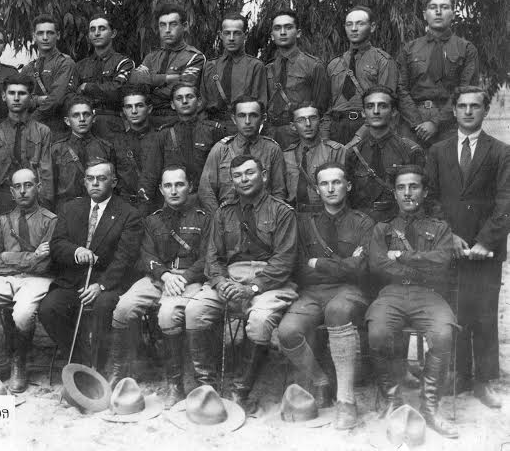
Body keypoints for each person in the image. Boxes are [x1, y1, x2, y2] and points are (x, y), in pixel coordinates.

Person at [186, 155, 298, 413]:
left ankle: (240, 392)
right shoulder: (223, 213)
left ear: (264, 176)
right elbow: (213, 257)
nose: (244, 179)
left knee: (259, 321)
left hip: (270, 282)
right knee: (194, 310)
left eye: (249, 173)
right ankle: (206, 389)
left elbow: (284, 261)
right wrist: (219, 281)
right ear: (232, 180)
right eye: (237, 175)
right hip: (230, 278)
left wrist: (252, 288)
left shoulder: (282, 212)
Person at [426, 86, 510, 409]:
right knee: (455, 310)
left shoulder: (501, 152)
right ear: (454, 111)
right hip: (450, 246)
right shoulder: (438, 151)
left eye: (475, 106)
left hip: (486, 250)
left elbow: (505, 202)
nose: (468, 111)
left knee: (485, 313)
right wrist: (447, 236)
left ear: (485, 110)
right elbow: (431, 199)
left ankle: (483, 381)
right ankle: (459, 374)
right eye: (462, 106)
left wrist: (486, 241)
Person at [277, 162, 374, 429]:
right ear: (317, 189)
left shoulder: (363, 222)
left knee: (337, 311)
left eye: (337, 182)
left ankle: (346, 400)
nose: (331, 188)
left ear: (348, 186)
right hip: (312, 292)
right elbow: (299, 268)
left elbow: (361, 269)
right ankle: (320, 381)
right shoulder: (305, 223)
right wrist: (344, 264)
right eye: (324, 184)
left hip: (349, 291)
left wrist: (318, 263)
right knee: (287, 331)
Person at [366, 165, 458, 438]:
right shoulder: (383, 229)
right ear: (394, 193)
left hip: (429, 295)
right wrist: (419, 267)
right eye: (401, 188)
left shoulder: (440, 228)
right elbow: (377, 265)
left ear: (425, 191)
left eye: (414, 186)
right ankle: (393, 401)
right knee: (377, 332)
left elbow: (442, 262)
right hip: (391, 294)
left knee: (443, 334)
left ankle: (430, 408)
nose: (407, 193)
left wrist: (402, 256)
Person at [107, 165, 210, 407]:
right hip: (157, 278)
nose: (174, 191)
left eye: (179, 184)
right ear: (161, 190)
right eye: (168, 186)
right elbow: (146, 254)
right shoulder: (152, 220)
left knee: (167, 315)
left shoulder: (204, 219)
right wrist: (164, 275)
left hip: (188, 280)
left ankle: (175, 384)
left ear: (190, 187)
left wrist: (184, 277)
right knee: (123, 308)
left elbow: (208, 257)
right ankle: (118, 372)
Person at [39, 158, 143, 369]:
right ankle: (81, 362)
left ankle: (99, 367)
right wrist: (76, 251)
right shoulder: (70, 208)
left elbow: (125, 257)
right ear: (84, 181)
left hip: (108, 282)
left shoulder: (128, 214)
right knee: (49, 308)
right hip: (73, 281)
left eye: (101, 178)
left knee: (103, 307)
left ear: (113, 182)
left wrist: (101, 285)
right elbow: (57, 244)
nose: (95, 183)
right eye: (90, 178)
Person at [0, 168, 58, 393]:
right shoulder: (2, 222)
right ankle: (0, 352)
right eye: (17, 187)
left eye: (28, 185)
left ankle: (20, 360)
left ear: (38, 187)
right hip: (4, 278)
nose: (23, 191)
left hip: (37, 279)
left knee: (23, 314)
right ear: (11, 191)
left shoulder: (50, 221)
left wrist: (7, 257)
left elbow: (45, 265)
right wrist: (31, 257)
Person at [397, 0, 479, 148]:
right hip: (412, 123)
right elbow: (400, 88)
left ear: (453, 13)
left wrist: (436, 123)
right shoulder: (409, 49)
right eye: (433, 7)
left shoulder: (467, 49)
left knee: (448, 163)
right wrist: (417, 123)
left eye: (444, 7)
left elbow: (466, 89)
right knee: (410, 163)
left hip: (449, 123)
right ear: (424, 14)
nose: (438, 12)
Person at [325, 6, 414, 146]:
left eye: (360, 24)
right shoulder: (334, 64)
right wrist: (325, 140)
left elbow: (384, 106)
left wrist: (357, 139)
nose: (354, 29)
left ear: (372, 27)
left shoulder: (383, 61)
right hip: (336, 129)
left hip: (369, 130)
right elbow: (326, 108)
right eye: (349, 24)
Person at [346, 86, 425, 223]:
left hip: (399, 225)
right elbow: (348, 198)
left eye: (383, 106)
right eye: (370, 106)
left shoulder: (410, 150)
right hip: (361, 225)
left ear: (393, 111)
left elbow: (421, 198)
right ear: (363, 113)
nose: (376, 111)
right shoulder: (353, 153)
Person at [198, 96, 287, 214]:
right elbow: (206, 190)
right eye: (242, 116)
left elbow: (279, 192)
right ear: (234, 119)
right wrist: (220, 218)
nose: (247, 121)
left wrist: (270, 217)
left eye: (253, 115)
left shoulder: (272, 150)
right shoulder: (221, 149)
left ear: (263, 118)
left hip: (264, 218)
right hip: (227, 218)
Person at [0, 74, 54, 213]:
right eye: (12, 93)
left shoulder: (42, 131)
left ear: (31, 98)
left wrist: (45, 208)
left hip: (34, 200)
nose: (16, 98)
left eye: (22, 93)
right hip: (2, 199)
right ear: (4, 96)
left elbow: (46, 174)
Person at [139, 83, 224, 198]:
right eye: (179, 98)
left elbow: (224, 170)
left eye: (189, 97)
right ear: (172, 105)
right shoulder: (165, 134)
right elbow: (150, 173)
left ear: (199, 101)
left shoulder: (213, 131)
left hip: (208, 197)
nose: (184, 101)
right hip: (175, 198)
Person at [129, 2, 206, 128]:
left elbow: (181, 90)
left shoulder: (194, 57)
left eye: (173, 24)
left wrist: (150, 87)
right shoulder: (151, 57)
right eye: (163, 25)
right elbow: (134, 81)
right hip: (148, 120)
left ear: (185, 26)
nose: (167, 30)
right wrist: (167, 78)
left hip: (177, 119)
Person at [264, 9, 329, 148]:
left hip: (300, 135)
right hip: (270, 135)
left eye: (288, 27)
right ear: (272, 36)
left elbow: (322, 108)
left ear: (298, 33)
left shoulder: (313, 66)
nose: (282, 32)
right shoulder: (268, 69)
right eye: (277, 28)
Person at [201, 12, 268, 133]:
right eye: (227, 33)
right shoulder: (210, 66)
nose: (231, 38)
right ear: (220, 35)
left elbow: (260, 105)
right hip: (210, 128)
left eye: (236, 33)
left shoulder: (255, 66)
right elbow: (202, 102)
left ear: (245, 35)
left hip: (242, 128)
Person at [74, 13, 134, 138]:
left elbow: (118, 91)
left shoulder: (124, 62)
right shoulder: (80, 66)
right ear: (89, 35)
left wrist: (86, 87)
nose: (96, 33)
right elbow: (70, 94)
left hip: (111, 123)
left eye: (102, 29)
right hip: (83, 123)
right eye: (92, 30)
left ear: (113, 33)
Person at [51, 96, 116, 212]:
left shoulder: (106, 148)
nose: (82, 119)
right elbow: (50, 187)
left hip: (99, 209)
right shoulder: (57, 150)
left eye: (86, 114)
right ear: (67, 121)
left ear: (93, 118)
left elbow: (113, 184)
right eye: (76, 115)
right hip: (66, 210)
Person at [282, 103, 345, 212]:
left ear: (320, 122)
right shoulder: (287, 155)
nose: (308, 124)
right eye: (301, 120)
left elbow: (343, 191)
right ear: (293, 126)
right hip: (294, 214)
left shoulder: (335, 151)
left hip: (326, 214)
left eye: (313, 118)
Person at [20, 14, 77, 134]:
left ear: (58, 35)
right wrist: (37, 100)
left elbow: (56, 99)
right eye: (40, 33)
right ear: (34, 36)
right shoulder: (28, 69)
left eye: (50, 33)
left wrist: (30, 121)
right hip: (32, 132)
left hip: (57, 128)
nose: (45, 38)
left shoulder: (65, 63)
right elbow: (20, 99)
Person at [113, 86, 159, 213]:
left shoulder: (161, 139)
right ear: (124, 111)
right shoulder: (117, 142)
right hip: (125, 207)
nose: (134, 111)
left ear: (149, 109)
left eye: (139, 106)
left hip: (156, 205)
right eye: (129, 107)